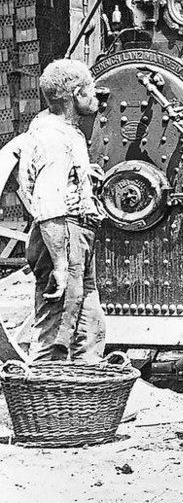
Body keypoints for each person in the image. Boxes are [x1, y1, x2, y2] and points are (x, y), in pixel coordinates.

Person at [14, 59, 105, 362]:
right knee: (57, 329)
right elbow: (49, 206)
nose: (97, 95)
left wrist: (80, 172)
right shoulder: (55, 140)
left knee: (88, 323)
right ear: (76, 94)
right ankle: (42, 397)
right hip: (62, 234)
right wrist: (61, 265)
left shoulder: (54, 128)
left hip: (73, 233)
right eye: (91, 89)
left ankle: (85, 399)